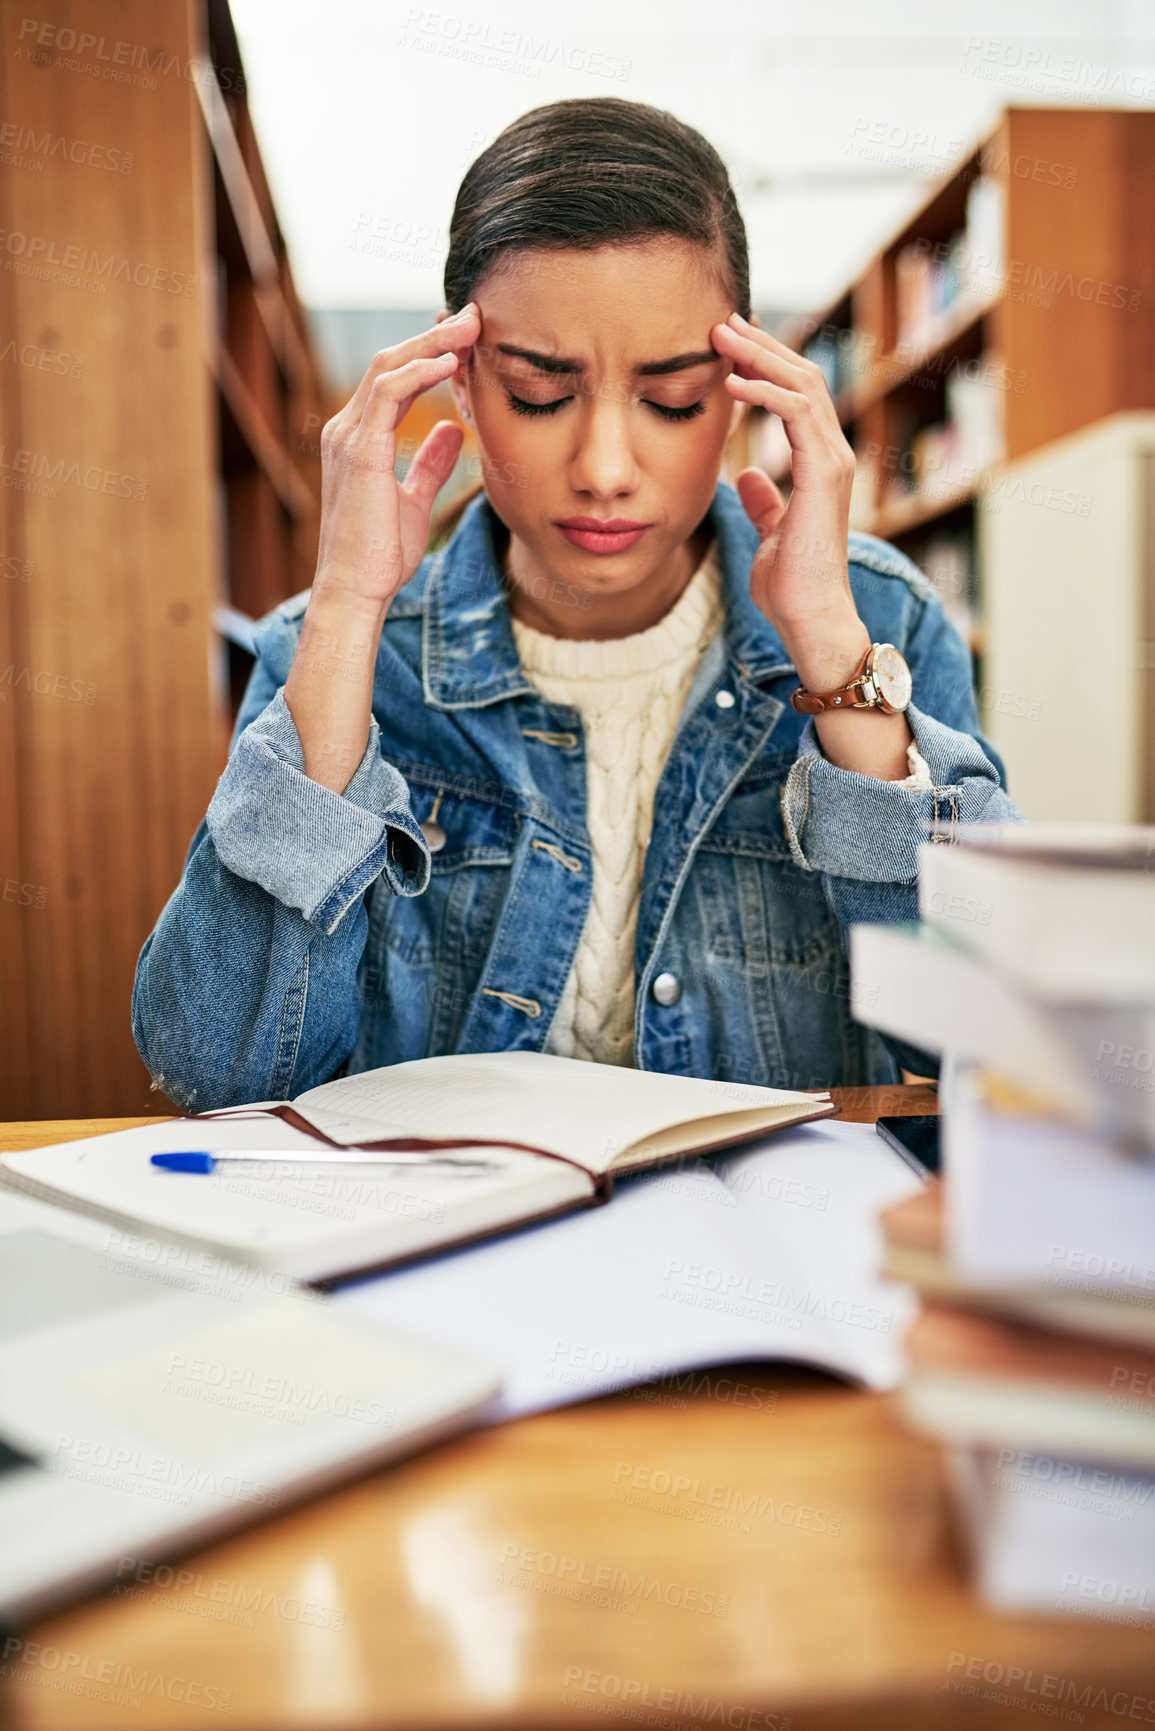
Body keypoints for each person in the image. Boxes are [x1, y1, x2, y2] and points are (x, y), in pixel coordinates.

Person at [131, 96, 1020, 1113]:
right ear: (458, 385)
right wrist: (342, 616)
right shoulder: (331, 649)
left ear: (745, 386)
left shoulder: (882, 627)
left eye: (675, 399)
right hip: (440, 1256)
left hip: (783, 1259)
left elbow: (996, 1036)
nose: (605, 470)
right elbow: (212, 1071)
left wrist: (832, 656)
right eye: (541, 394)